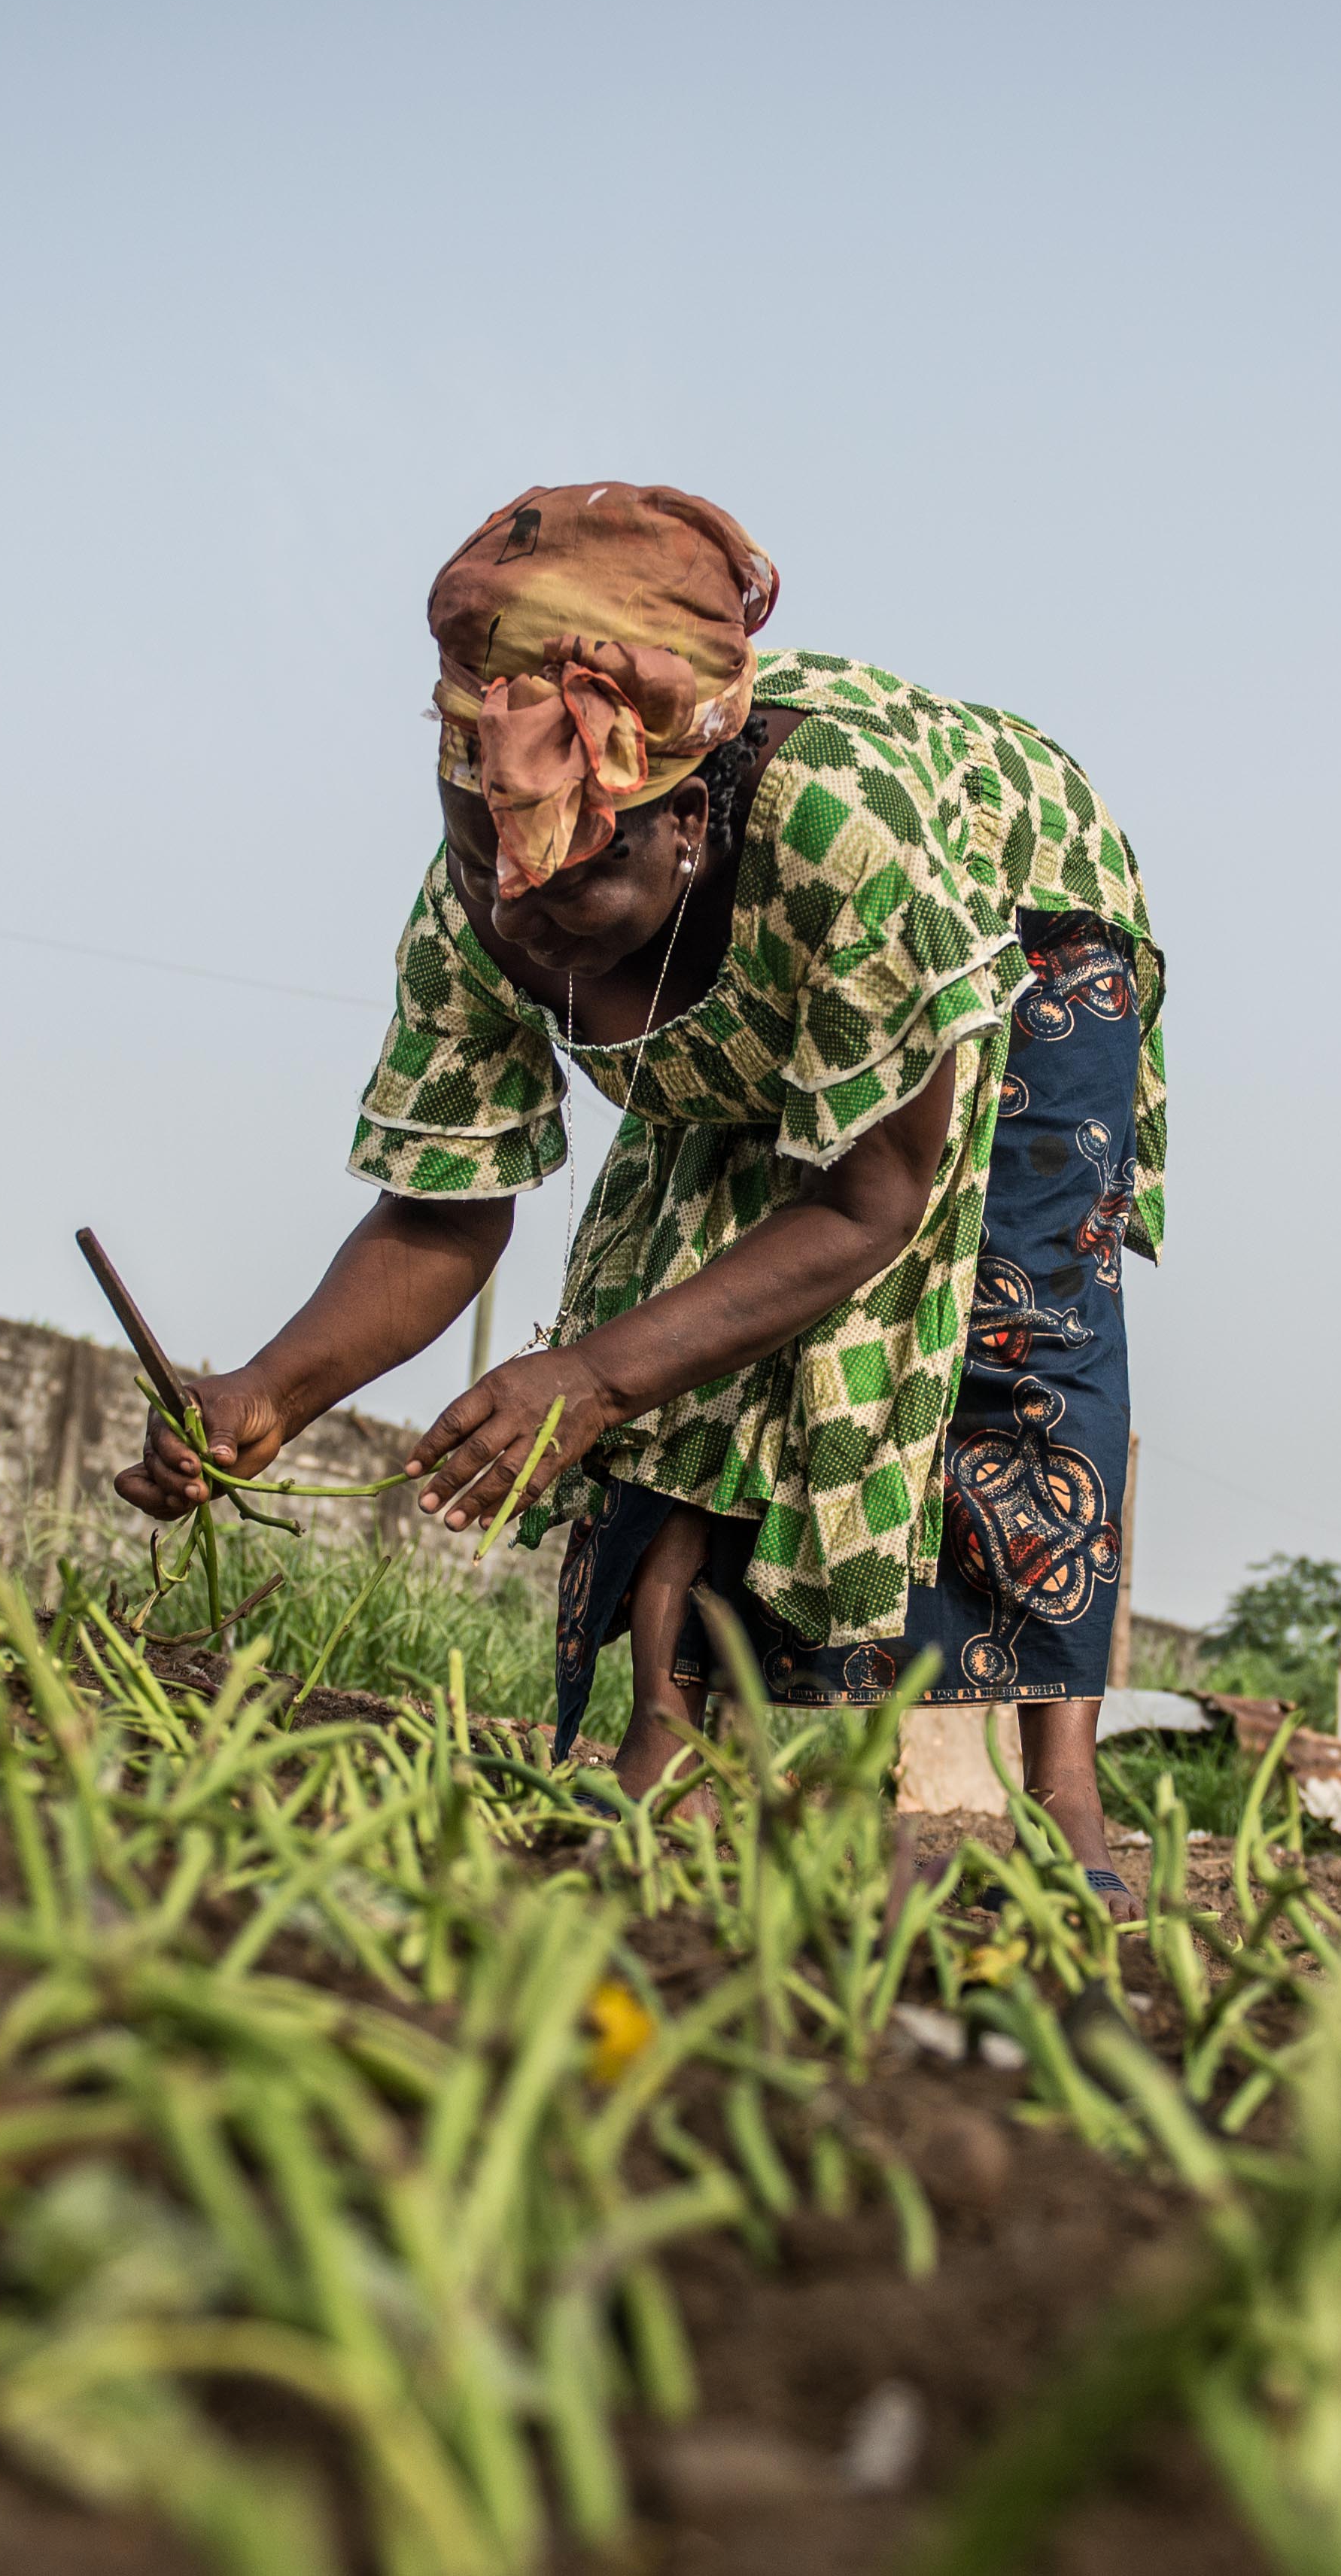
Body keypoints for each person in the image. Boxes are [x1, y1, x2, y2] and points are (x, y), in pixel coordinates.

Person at [120, 482, 1168, 1907]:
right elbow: (446, 1205)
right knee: (653, 1286)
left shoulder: (842, 849)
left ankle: (1062, 1800)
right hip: (787, 953)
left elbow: (870, 1203)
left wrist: (599, 1379)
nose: (533, 929)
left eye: (581, 894)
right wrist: (267, 1391)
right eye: (503, 883)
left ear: (691, 824)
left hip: (1017, 901)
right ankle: (666, 1733)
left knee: (1016, 1306)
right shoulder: (488, 880)